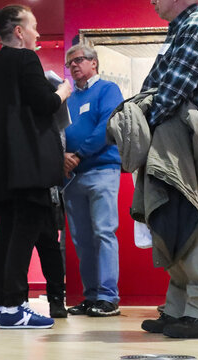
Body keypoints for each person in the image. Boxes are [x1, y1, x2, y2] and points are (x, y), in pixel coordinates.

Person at [138, 0, 198, 339]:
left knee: (192, 215)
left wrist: (145, 119)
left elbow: (173, 89)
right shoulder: (181, 29)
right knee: (174, 214)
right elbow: (158, 85)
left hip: (182, 128)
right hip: (174, 127)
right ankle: (180, 307)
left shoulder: (196, 26)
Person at [0, 4, 73, 329]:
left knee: (5, 233)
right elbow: (44, 104)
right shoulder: (25, 59)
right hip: (26, 165)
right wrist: (63, 91)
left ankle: (3, 307)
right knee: (24, 232)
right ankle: (15, 306)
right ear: (19, 31)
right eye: (34, 26)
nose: (37, 33)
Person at [62, 44, 124, 318]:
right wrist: (61, 156)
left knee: (103, 233)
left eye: (78, 60)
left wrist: (78, 153)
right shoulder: (69, 99)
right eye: (70, 63)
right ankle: (90, 297)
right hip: (72, 178)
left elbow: (107, 126)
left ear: (93, 63)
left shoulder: (108, 90)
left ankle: (108, 298)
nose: (74, 66)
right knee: (82, 240)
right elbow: (60, 130)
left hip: (101, 170)